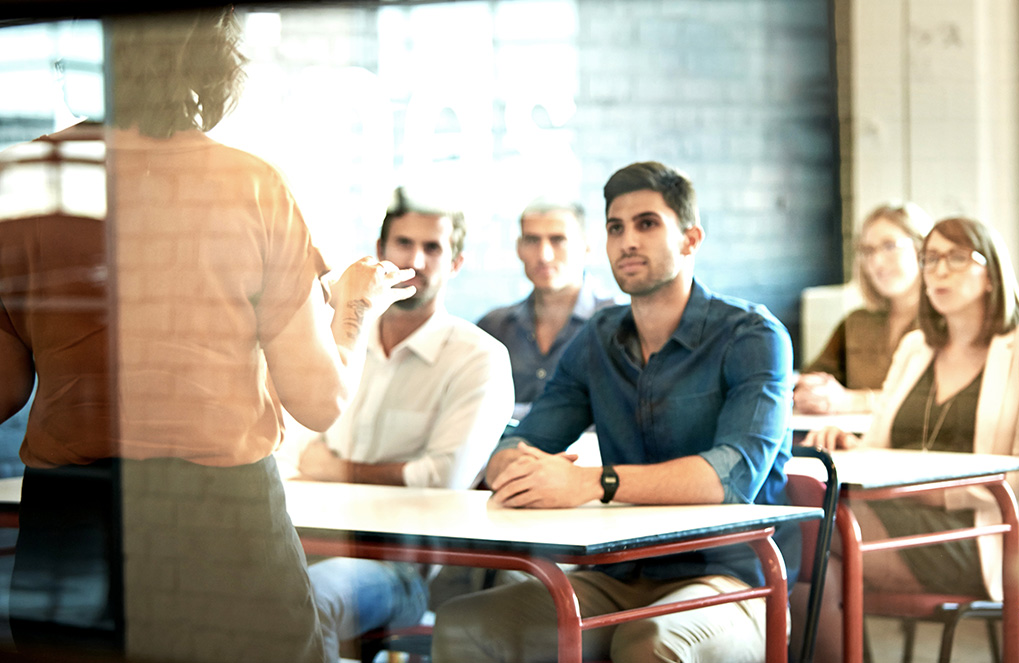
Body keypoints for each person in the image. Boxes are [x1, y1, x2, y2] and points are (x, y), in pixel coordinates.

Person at [0, 10, 414, 662]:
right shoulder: (251, 186)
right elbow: (318, 400)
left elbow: (2, 389)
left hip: (70, 520)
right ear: (210, 57)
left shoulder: (20, 182)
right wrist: (355, 307)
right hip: (220, 523)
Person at [431, 161, 796, 663]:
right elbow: (516, 444)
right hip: (617, 575)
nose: (628, 241)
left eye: (647, 224)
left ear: (690, 239)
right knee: (465, 623)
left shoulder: (754, 336)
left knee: (649, 643)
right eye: (615, 228)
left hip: (728, 581)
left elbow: (730, 477)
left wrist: (592, 483)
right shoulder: (599, 338)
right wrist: (517, 467)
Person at [296, 187, 514, 662]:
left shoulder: (480, 359)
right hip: (309, 540)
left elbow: (444, 478)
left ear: (455, 262)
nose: (416, 259)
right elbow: (299, 447)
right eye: (403, 244)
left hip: (403, 571)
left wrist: (340, 469)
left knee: (304, 598)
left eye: (432, 248)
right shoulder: (341, 339)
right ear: (380, 251)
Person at [800, 216, 1019, 663]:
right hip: (894, 513)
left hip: (979, 533)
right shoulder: (916, 347)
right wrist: (847, 442)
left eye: (956, 258)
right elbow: (881, 442)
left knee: (815, 529)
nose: (938, 271)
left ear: (991, 274)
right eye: (930, 259)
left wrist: (928, 496)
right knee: (814, 548)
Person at [477, 197, 622, 417]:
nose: (544, 255)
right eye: (532, 240)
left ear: (587, 247)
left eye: (558, 240)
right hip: (505, 450)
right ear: (518, 248)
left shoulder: (621, 324)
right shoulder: (493, 328)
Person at [794, 202, 932, 414]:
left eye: (889, 246)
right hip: (847, 439)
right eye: (867, 251)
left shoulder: (943, 323)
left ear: (921, 249)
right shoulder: (856, 323)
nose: (877, 262)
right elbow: (811, 378)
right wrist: (811, 391)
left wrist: (853, 401)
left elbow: (936, 402)